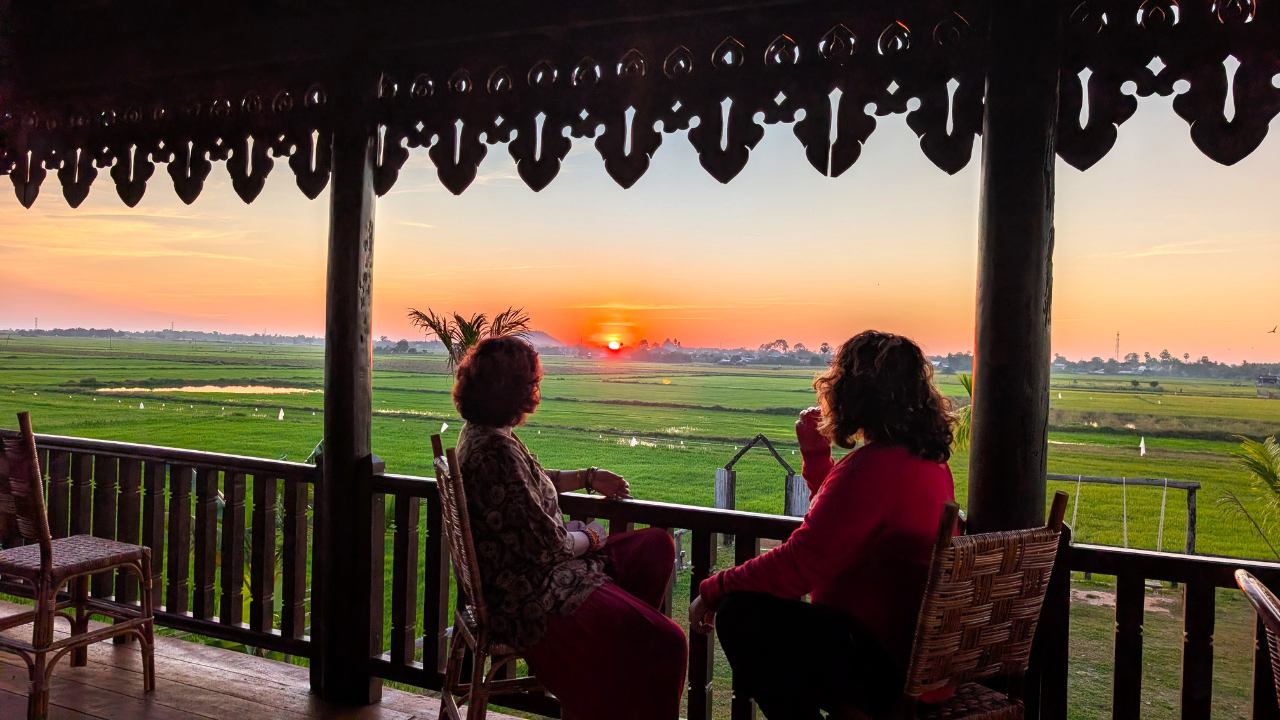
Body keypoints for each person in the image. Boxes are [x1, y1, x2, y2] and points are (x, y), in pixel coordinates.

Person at [688, 330, 957, 719]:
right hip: (916, 661)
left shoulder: (872, 470)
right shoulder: (928, 464)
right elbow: (840, 520)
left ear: (852, 393)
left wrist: (715, 588)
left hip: (880, 663)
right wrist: (817, 457)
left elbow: (800, 565)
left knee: (741, 615)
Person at [453, 335, 687, 720]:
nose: (536, 391)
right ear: (510, 390)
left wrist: (588, 477)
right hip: (535, 594)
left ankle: (608, 670)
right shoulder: (494, 450)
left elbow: (534, 480)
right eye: (531, 383)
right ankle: (611, 671)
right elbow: (552, 546)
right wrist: (592, 535)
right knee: (669, 642)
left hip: (541, 576)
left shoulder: (486, 436)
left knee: (655, 547)